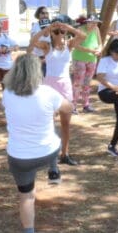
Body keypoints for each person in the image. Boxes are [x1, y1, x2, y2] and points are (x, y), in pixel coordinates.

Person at [1, 54, 73, 233]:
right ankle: (54, 170)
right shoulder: (48, 93)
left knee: (26, 197)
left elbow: (4, 107)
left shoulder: (8, 93)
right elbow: (69, 107)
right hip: (47, 152)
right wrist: (53, 110)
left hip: (20, 158)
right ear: (38, 71)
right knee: (54, 138)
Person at [29, 21, 85, 166]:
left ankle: (64, 154)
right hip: (50, 86)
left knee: (66, 123)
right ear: (52, 34)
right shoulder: (47, 46)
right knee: (48, 122)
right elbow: (33, 41)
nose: (60, 34)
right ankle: (46, 153)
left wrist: (69, 28)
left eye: (62, 32)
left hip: (65, 85)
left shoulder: (69, 45)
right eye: (57, 32)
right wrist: (47, 30)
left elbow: (83, 36)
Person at [71, 15, 103, 113]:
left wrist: (99, 50)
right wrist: (91, 50)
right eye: (92, 22)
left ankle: (86, 105)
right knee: (78, 83)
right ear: (87, 22)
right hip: (79, 59)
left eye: (95, 22)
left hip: (92, 59)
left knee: (87, 83)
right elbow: (75, 45)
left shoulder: (96, 29)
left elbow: (100, 43)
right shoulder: (81, 29)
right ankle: (73, 106)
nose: (94, 24)